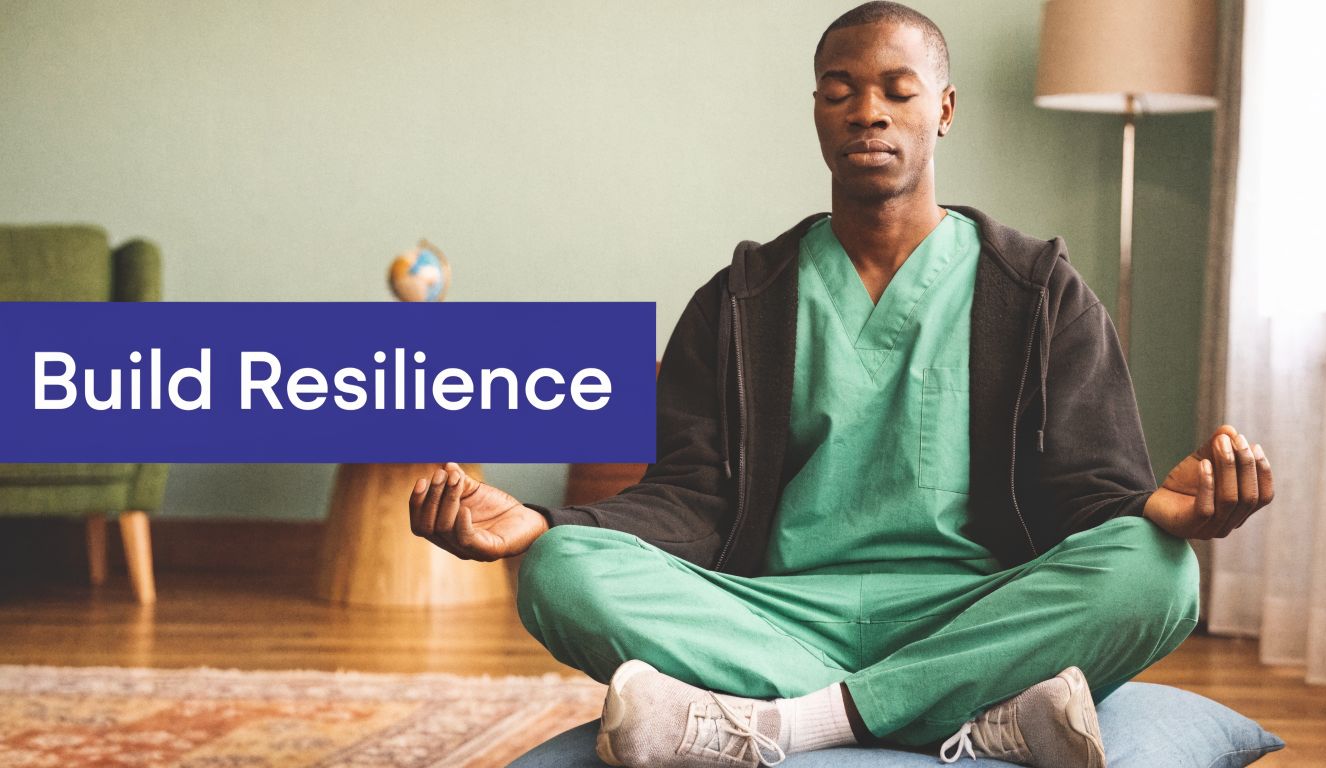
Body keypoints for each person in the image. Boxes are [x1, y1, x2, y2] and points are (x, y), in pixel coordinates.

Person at [407, 4, 1275, 767]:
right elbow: (690, 496)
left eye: (899, 89)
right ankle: (982, 713)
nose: (868, 110)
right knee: (560, 571)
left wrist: (1162, 514)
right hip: (771, 614)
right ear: (816, 112)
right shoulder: (741, 300)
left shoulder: (1038, 291)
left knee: (1157, 574)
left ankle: (791, 723)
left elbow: (1091, 491)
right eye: (838, 89)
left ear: (944, 110)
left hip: (974, 606)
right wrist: (544, 525)